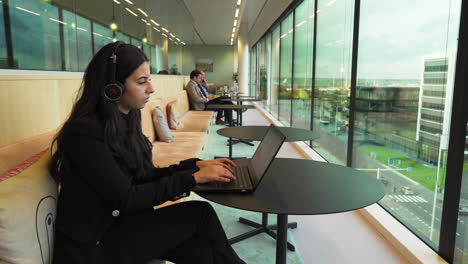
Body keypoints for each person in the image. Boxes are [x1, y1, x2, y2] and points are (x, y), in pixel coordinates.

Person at [49, 41, 246, 264]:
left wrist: (194, 166)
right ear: (113, 88)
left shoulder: (127, 118)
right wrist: (191, 179)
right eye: (142, 81)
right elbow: (127, 198)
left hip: (123, 224)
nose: (151, 88)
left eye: (149, 79)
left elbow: (144, 175)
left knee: (201, 252)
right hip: (95, 243)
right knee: (200, 213)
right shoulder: (84, 133)